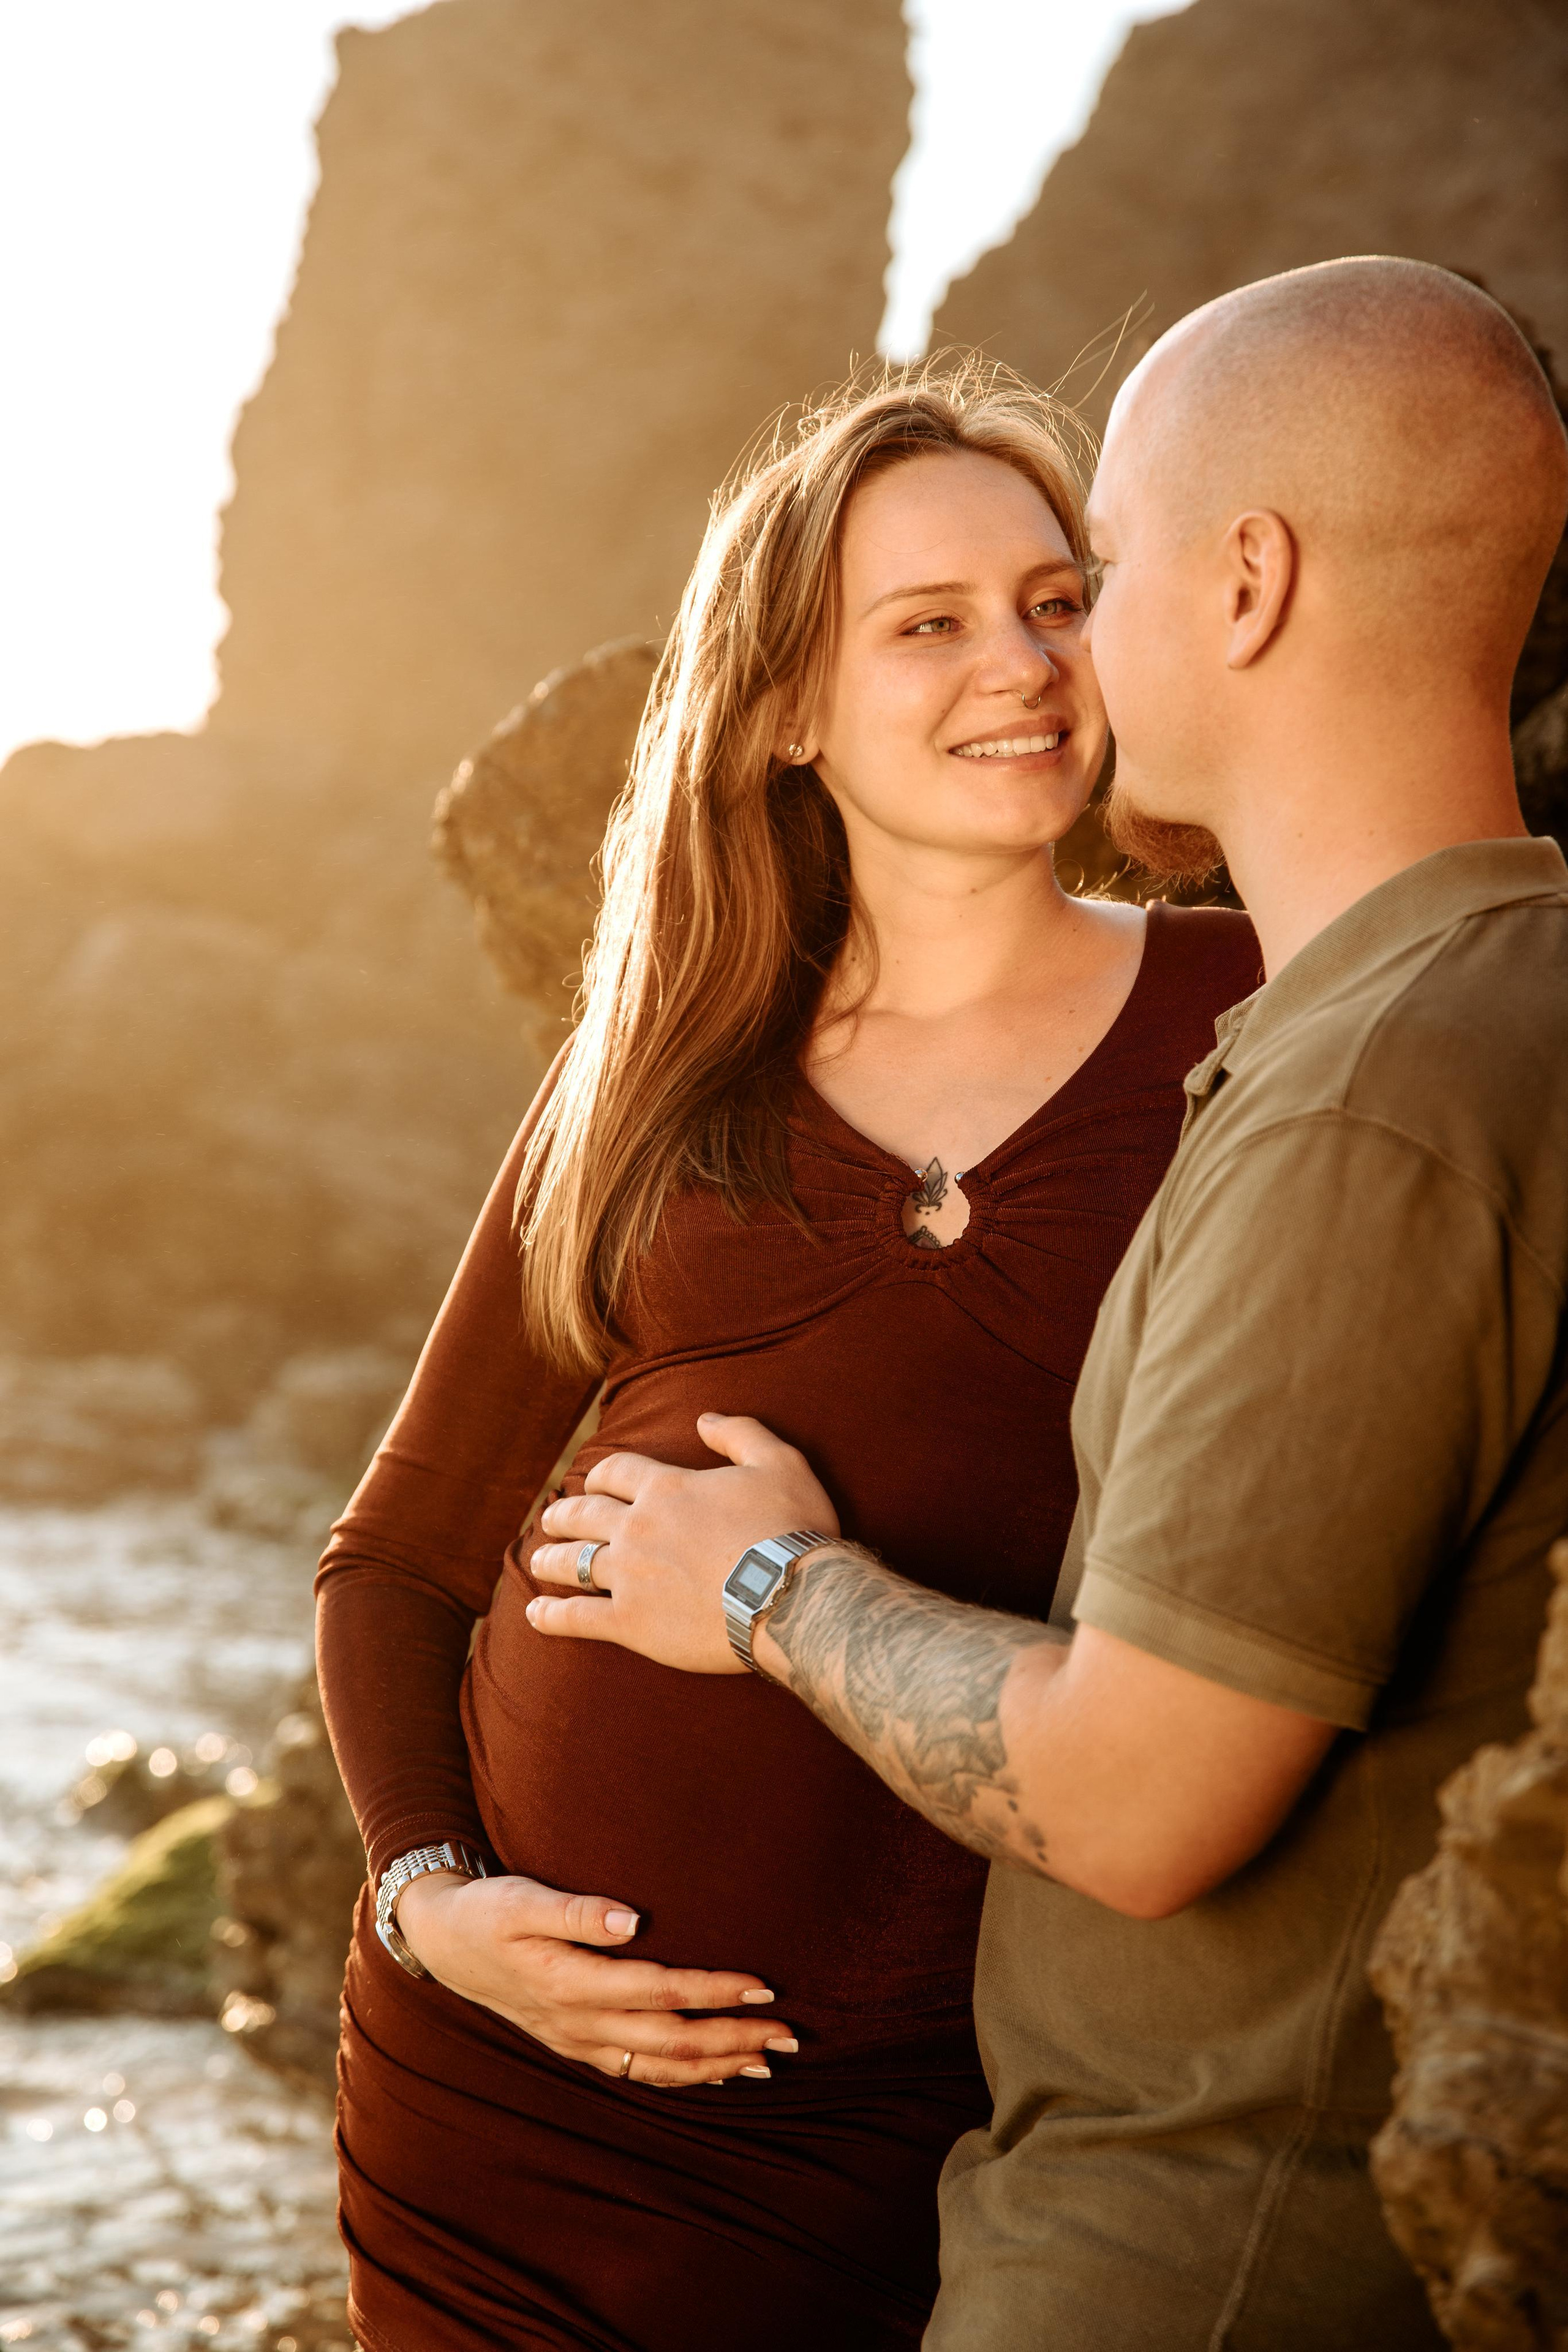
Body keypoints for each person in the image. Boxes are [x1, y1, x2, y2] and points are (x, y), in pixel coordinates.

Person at [529, 258, 1568, 2350]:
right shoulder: (1436, 1013)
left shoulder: (1377, 1093)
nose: (1070, 639)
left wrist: (770, 1592)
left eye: (1100, 569)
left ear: (1248, 583)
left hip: (1196, 2253)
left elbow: (1141, 1797)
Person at [314, 357, 1262, 2352]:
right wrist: (436, 1909)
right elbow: (394, 1565)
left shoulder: (1254, 1009)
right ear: (784, 713)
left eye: (1057, 598)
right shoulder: (656, 1076)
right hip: (491, 2100)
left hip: (926, 2122)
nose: (1018, 662)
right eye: (927, 624)